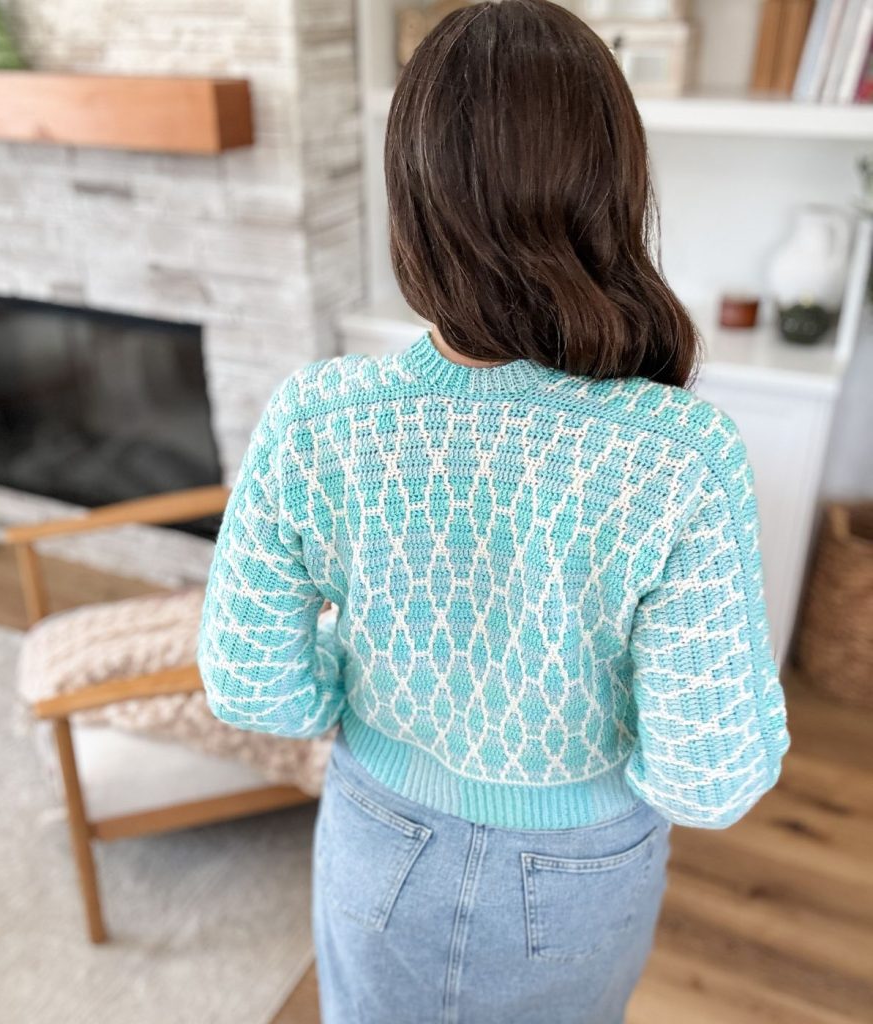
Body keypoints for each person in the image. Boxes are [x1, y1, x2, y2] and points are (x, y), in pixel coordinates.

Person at [197, 2, 790, 1021]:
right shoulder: (679, 455)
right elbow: (709, 777)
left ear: (412, 202)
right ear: (612, 190)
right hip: (580, 872)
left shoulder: (318, 418)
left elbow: (251, 684)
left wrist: (362, 672)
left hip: (377, 836)